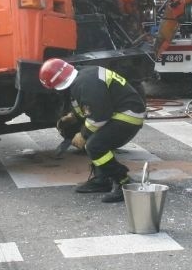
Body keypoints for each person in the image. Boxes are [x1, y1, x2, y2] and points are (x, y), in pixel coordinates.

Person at [39, 59, 146, 202]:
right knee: (95, 141)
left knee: (94, 145)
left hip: (128, 116)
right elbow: (88, 106)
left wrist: (83, 135)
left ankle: (123, 181)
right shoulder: (82, 77)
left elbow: (99, 117)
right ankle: (102, 179)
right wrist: (73, 117)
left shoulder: (85, 83)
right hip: (119, 113)